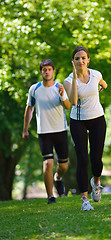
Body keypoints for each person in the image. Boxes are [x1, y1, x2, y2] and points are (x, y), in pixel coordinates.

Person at [63, 46, 107, 211]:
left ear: (88, 60)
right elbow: (73, 101)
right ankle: (84, 200)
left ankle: (96, 183)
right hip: (78, 121)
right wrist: (75, 79)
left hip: (97, 120)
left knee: (96, 158)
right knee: (82, 159)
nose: (80, 61)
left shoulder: (96, 74)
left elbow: (104, 84)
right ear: (73, 62)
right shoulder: (68, 81)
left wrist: (101, 88)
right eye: (77, 59)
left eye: (83, 58)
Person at [22, 59, 70, 204]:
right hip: (44, 132)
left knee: (63, 166)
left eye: (49, 69)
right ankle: (50, 196)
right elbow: (29, 109)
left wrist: (62, 94)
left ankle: (58, 178)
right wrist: (25, 129)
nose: (47, 72)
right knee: (47, 163)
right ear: (41, 71)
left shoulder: (59, 87)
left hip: (60, 130)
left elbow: (67, 106)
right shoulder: (34, 89)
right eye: (44, 69)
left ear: (53, 71)